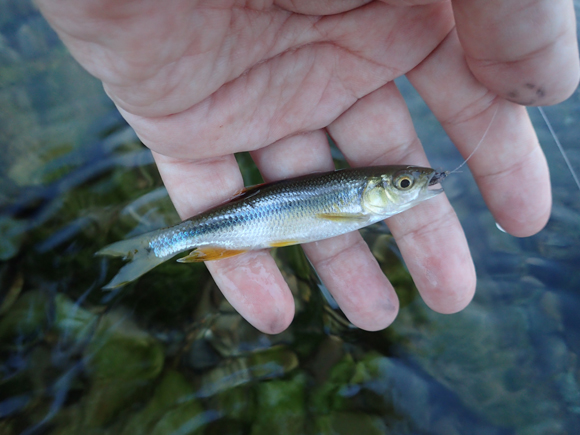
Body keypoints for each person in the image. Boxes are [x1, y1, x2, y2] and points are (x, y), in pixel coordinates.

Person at [37, 0, 579, 334]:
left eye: (407, 182)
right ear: (373, 190)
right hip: (252, 218)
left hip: (254, 218)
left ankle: (160, 247)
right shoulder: (354, 207)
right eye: (403, 183)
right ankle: (159, 247)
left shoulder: (356, 203)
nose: (417, 184)